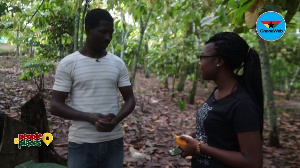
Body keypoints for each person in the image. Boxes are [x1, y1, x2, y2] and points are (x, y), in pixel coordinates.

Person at [50, 8, 135, 168]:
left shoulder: (117, 63)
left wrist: (116, 120)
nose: (108, 38)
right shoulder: (69, 63)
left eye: (111, 33)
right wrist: (90, 117)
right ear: (88, 30)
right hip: (82, 142)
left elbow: (130, 99)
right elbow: (55, 106)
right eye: (103, 32)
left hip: (113, 141)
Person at [179, 32, 264, 168]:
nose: (200, 64)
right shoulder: (219, 91)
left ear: (219, 61)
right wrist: (195, 137)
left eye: (203, 58)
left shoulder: (242, 104)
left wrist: (200, 148)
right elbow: (221, 130)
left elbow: (253, 162)